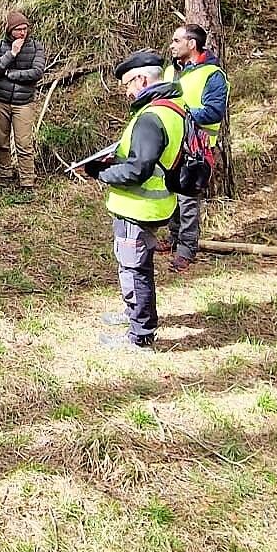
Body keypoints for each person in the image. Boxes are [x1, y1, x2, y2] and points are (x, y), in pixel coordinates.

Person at [81, 49, 185, 349]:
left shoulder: (150, 118)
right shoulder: (171, 108)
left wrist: (102, 174)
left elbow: (138, 169)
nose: (126, 91)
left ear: (141, 79)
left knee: (134, 269)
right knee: (138, 266)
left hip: (137, 206)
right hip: (155, 203)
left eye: (128, 84)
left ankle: (139, 335)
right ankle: (134, 316)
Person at [161, 23, 228, 271]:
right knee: (171, 194)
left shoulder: (213, 75)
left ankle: (186, 251)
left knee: (188, 200)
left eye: (177, 40)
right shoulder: (170, 71)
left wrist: (182, 113)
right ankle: (173, 238)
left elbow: (213, 111)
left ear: (192, 44)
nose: (172, 44)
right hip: (170, 144)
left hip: (196, 147)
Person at [0, 10, 50, 194]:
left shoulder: (36, 47)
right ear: (9, 31)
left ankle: (27, 182)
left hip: (24, 102)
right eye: (18, 30)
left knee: (24, 143)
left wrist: (12, 75)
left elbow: (37, 72)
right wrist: (11, 54)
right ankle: (5, 176)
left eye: (25, 28)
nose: (22, 33)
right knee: (2, 141)